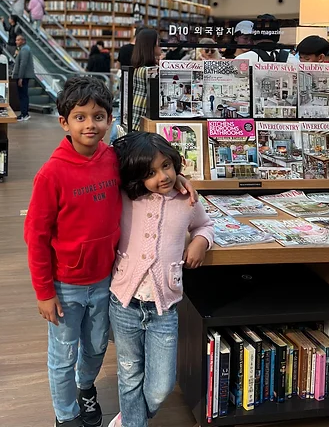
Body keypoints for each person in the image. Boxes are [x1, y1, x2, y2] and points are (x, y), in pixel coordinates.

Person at [24, 77, 199, 427]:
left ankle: (85, 387)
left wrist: (177, 178)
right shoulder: (51, 174)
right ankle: (66, 415)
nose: (90, 125)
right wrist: (44, 292)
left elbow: (147, 165)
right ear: (64, 122)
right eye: (80, 117)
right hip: (65, 284)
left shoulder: (112, 158)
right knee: (63, 353)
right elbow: (36, 237)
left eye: (98, 116)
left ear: (109, 119)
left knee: (95, 347)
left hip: (107, 279)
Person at [108, 132, 213, 427]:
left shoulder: (186, 200)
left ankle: (131, 416)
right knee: (129, 373)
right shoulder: (125, 196)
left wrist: (200, 241)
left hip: (164, 307)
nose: (162, 176)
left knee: (161, 386)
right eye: (150, 172)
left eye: (166, 166)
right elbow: (108, 160)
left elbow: (205, 225)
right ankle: (132, 423)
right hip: (124, 303)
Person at [130, 28, 162, 131]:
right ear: (151, 45)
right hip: (145, 118)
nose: (161, 45)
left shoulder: (139, 69)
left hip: (136, 116)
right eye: (158, 42)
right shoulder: (151, 71)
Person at [12, 34, 34, 121]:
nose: (16, 42)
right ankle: (24, 113)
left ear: (23, 41)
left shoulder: (25, 49)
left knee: (23, 95)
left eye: (18, 40)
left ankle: (24, 113)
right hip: (23, 75)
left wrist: (20, 77)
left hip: (23, 76)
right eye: (16, 40)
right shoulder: (21, 49)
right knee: (22, 95)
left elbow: (23, 64)